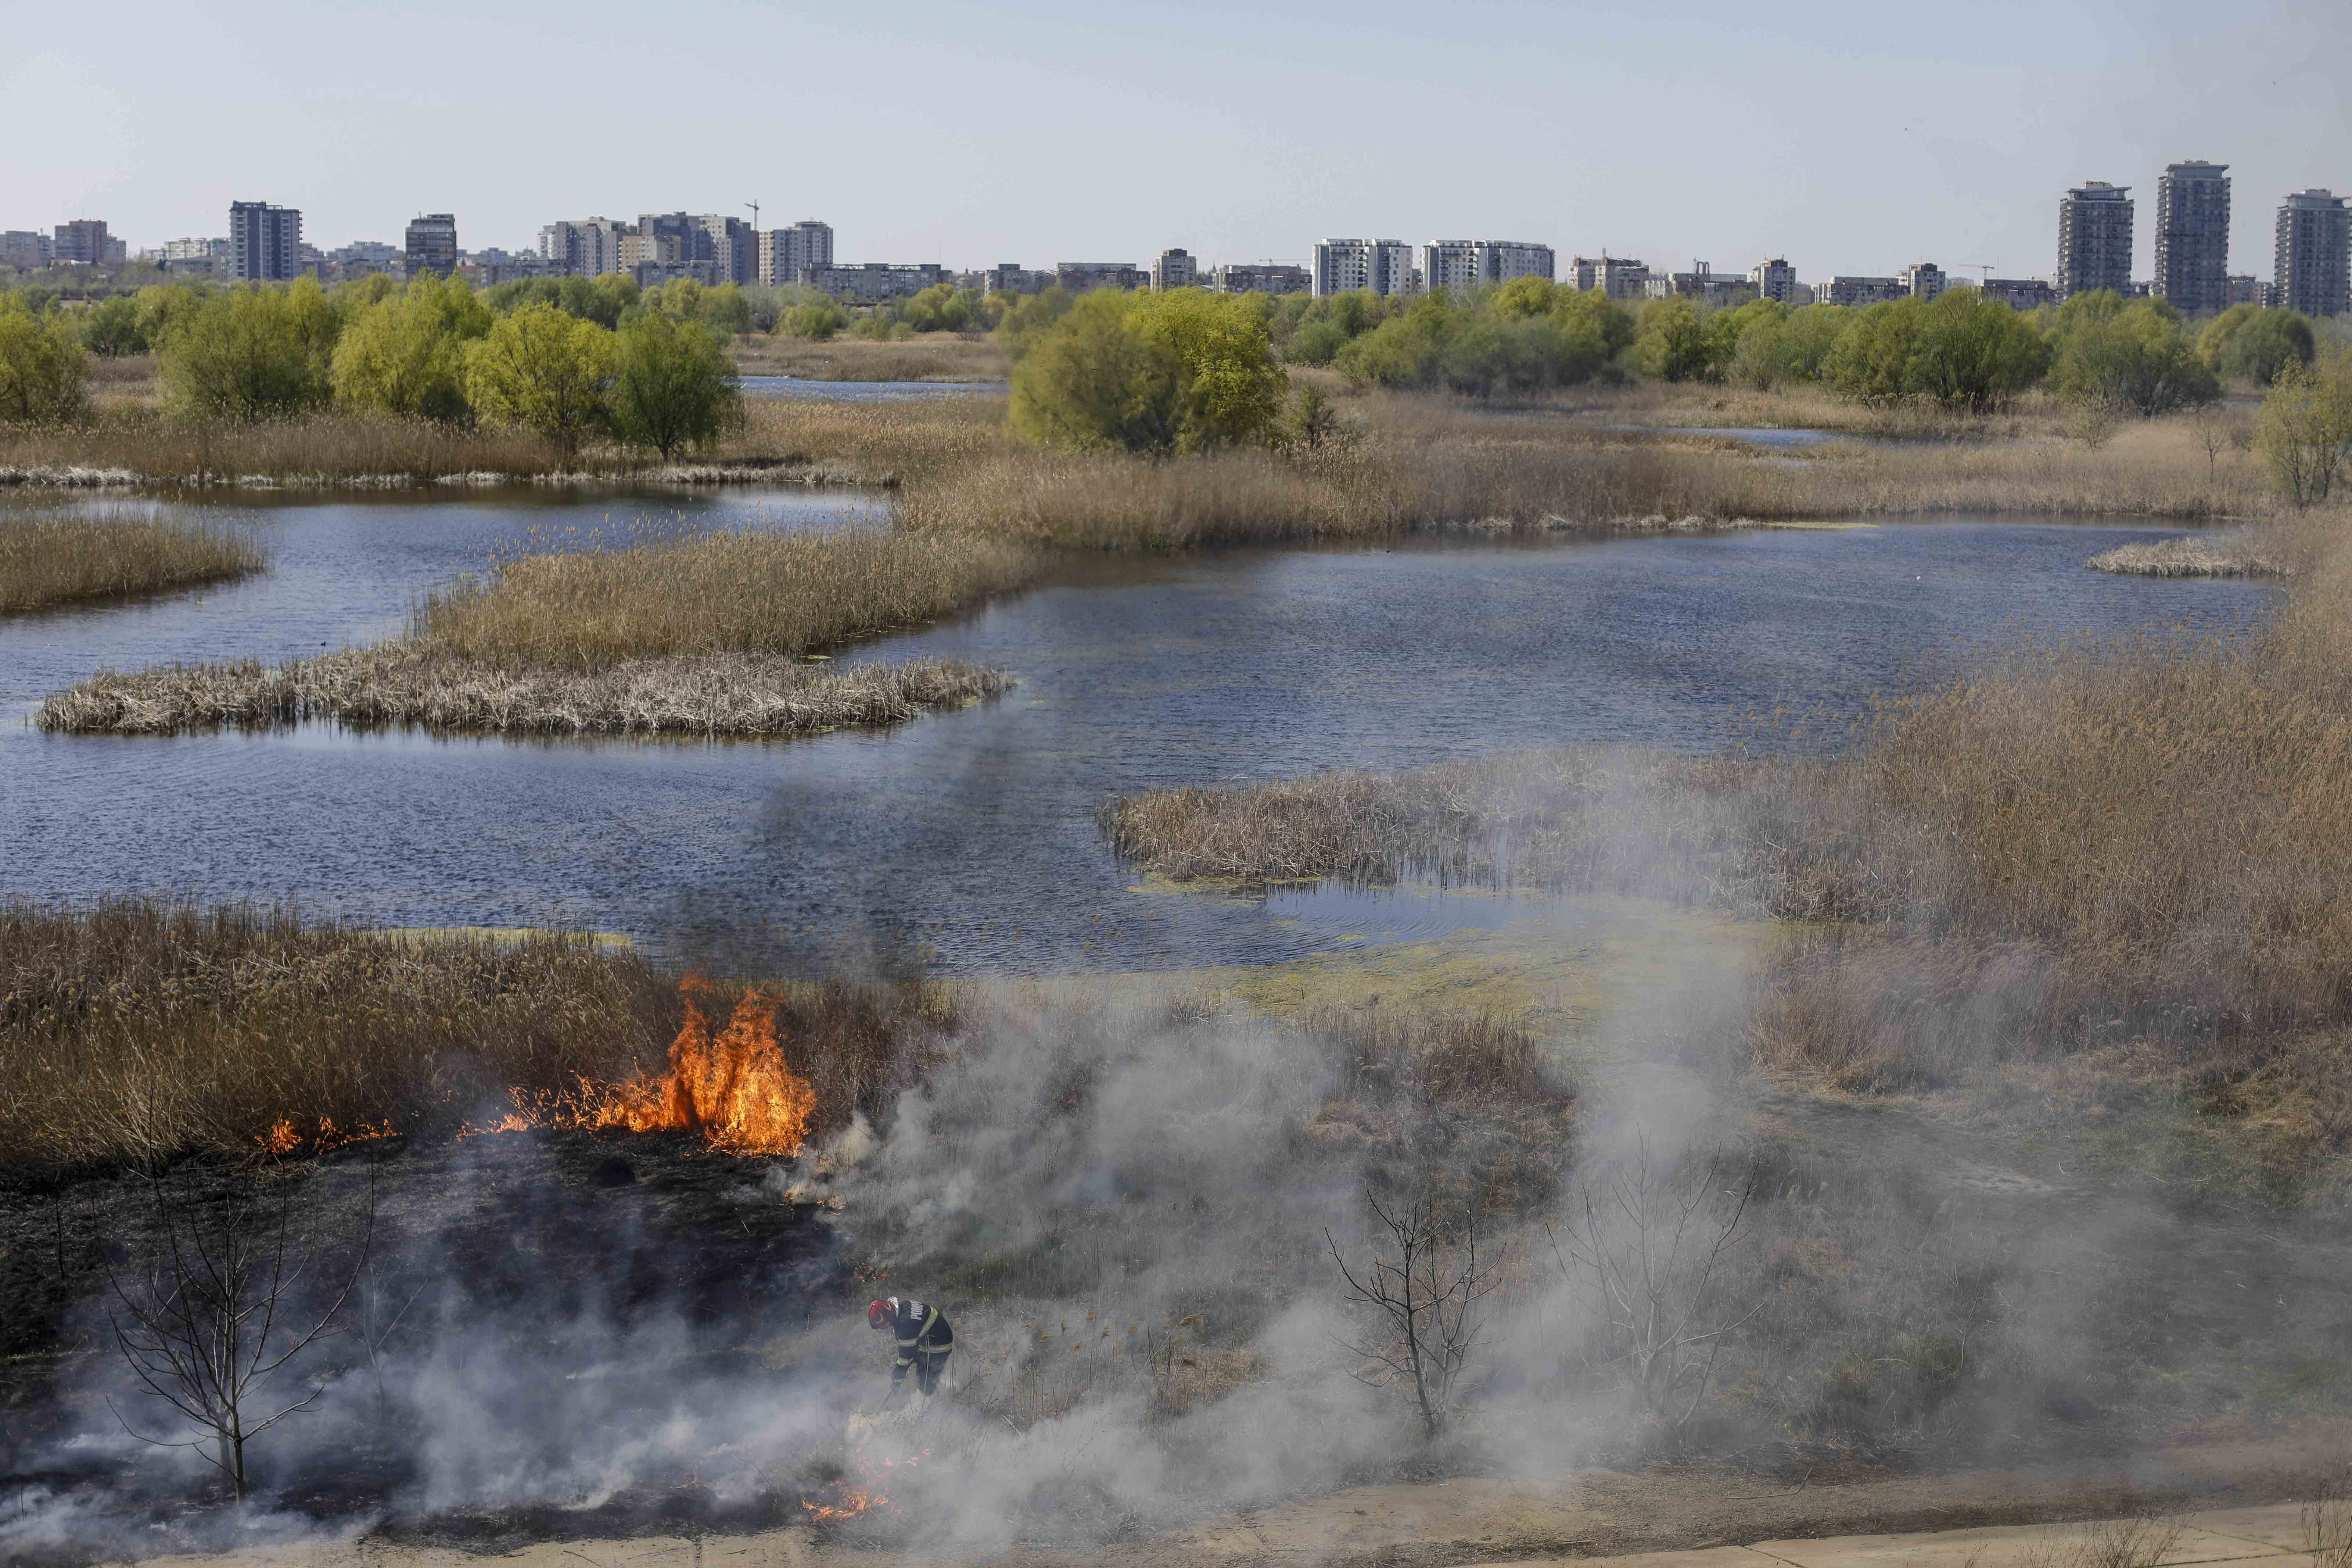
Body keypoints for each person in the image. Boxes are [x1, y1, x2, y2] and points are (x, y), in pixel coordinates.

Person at [867, 1296, 953, 1412]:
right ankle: (935, 1392)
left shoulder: (905, 1326)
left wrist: (897, 1378)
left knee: (925, 1380)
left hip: (938, 1345)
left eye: (885, 1325)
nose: (885, 1329)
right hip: (934, 1336)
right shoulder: (903, 1305)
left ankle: (923, 1410)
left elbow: (906, 1357)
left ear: (890, 1316)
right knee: (924, 1371)